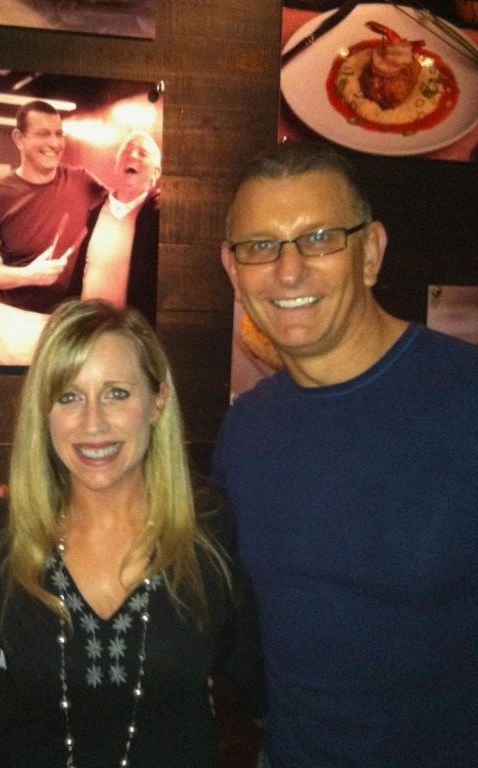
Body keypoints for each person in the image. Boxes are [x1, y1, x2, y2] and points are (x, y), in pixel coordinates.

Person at [212, 141, 478, 768]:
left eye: (320, 238)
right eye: (260, 246)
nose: (288, 270)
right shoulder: (246, 430)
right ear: (233, 269)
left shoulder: (465, 400)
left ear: (371, 253)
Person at [0, 298, 240, 767]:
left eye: (117, 393)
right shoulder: (3, 537)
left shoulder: (213, 532)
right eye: (69, 396)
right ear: (44, 411)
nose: (93, 423)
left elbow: (254, 674)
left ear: (157, 401)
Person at [0, 99, 106, 364]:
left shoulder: (83, 181)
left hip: (73, 320)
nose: (55, 143)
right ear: (19, 139)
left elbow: (122, 208)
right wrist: (28, 275)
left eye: (59, 134)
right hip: (22, 323)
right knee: (20, 399)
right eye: (44, 134)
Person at [78, 130, 161, 325]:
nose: (132, 155)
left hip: (129, 331)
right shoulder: (94, 210)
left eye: (142, 153)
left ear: (156, 173)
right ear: (117, 165)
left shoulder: (158, 217)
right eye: (126, 151)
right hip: (86, 325)